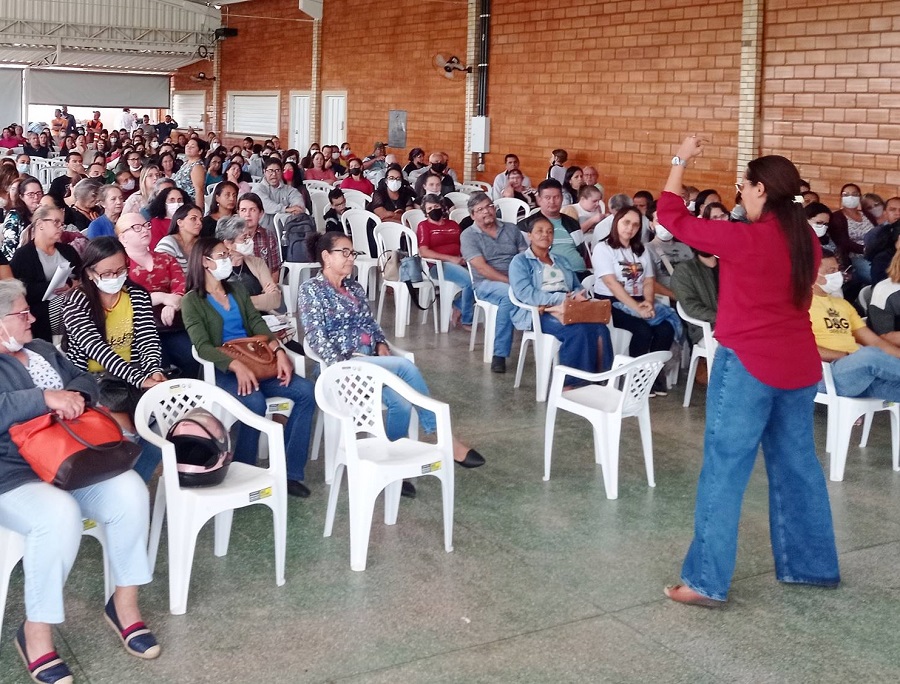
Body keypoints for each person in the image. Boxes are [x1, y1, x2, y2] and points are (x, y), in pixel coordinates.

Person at [658, 135, 839, 607]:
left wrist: (681, 158)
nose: (740, 195)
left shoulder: (743, 239)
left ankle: (705, 582)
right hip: (800, 368)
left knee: (725, 469)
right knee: (798, 468)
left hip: (748, 368)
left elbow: (671, 216)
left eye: (743, 188)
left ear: (761, 190)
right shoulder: (808, 246)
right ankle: (811, 567)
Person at [0, 279, 160, 684]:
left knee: (129, 491)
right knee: (58, 515)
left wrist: (74, 395)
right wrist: (44, 399)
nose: (32, 317)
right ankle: (35, 632)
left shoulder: (39, 350)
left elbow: (85, 378)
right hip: (14, 476)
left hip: (69, 461)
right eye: (21, 313)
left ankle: (124, 603)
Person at [299, 231, 485, 471]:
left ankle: (393, 463)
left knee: (402, 404)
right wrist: (342, 365)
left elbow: (370, 323)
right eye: (344, 253)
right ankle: (443, 436)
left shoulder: (354, 287)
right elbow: (315, 336)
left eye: (352, 253)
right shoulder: (312, 289)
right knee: (404, 367)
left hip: (370, 361)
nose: (350, 258)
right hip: (342, 366)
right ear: (326, 256)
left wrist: (380, 343)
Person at [182, 238, 315, 498]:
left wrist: (278, 351)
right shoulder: (192, 301)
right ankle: (245, 470)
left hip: (258, 361)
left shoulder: (237, 289)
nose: (227, 259)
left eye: (227, 254)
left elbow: (257, 324)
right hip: (223, 370)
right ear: (204, 262)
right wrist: (235, 366)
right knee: (254, 403)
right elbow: (202, 346)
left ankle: (289, 472)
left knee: (306, 392)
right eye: (221, 255)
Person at [61, 237, 166, 481]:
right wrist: (140, 379)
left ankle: (137, 482)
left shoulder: (136, 295)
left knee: (166, 425)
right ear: (89, 272)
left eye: (120, 271)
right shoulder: (75, 302)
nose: (115, 277)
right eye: (107, 273)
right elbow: (98, 350)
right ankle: (121, 486)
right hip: (91, 380)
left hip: (133, 374)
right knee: (126, 433)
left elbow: (148, 339)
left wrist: (153, 371)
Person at [591, 206, 677, 395]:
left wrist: (647, 302)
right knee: (642, 330)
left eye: (635, 225)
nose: (630, 228)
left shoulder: (640, 250)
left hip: (639, 300)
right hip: (610, 302)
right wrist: (637, 308)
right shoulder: (603, 248)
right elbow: (612, 284)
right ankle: (635, 379)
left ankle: (651, 376)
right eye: (626, 222)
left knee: (666, 328)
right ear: (616, 222)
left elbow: (648, 280)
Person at [509, 217, 612, 375]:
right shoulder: (520, 261)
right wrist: (561, 299)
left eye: (550, 232)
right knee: (577, 331)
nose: (545, 235)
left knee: (600, 329)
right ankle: (571, 382)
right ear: (529, 235)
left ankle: (601, 377)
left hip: (569, 305)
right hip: (540, 311)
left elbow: (575, 286)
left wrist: (579, 295)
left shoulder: (561, 261)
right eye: (540, 231)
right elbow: (525, 293)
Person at [116, 213, 198, 378]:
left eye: (146, 225)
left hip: (172, 323)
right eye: (136, 228)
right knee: (157, 364)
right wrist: (161, 297)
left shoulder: (166, 258)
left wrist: (172, 303)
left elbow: (180, 286)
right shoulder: (118, 265)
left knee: (191, 357)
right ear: (123, 237)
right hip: (137, 328)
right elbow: (125, 298)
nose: (144, 230)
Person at [812, 250, 900, 400]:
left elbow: (876, 342)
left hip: (858, 374)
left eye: (837, 270)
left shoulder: (842, 305)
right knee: (869, 355)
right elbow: (798, 348)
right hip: (825, 374)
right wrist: (846, 356)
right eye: (830, 271)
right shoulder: (797, 305)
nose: (836, 275)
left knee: (874, 357)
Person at [460, 192, 527, 373]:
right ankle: (500, 353)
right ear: (473, 215)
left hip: (516, 278)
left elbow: (525, 257)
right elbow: (481, 268)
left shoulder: (512, 229)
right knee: (509, 295)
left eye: (489, 206)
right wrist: (512, 283)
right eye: (480, 209)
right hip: (485, 283)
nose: (486, 211)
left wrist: (522, 279)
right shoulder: (468, 235)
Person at [10, 204, 81, 342]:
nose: (61, 227)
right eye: (56, 222)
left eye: (62, 223)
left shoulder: (68, 251)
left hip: (72, 302)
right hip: (42, 312)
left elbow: (83, 276)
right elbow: (21, 290)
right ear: (40, 224)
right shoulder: (24, 255)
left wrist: (72, 284)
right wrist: (52, 287)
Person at [416, 193, 474, 328]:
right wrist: (451, 259)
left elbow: (463, 243)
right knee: (469, 281)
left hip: (461, 261)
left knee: (484, 277)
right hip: (438, 266)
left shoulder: (453, 224)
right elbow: (424, 251)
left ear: (442, 208)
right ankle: (467, 319)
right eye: (429, 209)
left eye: (436, 206)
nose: (433, 210)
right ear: (425, 212)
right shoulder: (424, 226)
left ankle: (458, 305)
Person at [520, 179, 591, 281]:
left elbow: (582, 251)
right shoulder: (525, 225)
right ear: (539, 200)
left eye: (556, 197)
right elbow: (523, 256)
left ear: (562, 198)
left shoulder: (572, 223)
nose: (552, 202)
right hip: (551, 277)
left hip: (580, 274)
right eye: (547, 198)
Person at [216, 216, 282, 312]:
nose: (250, 241)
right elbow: (218, 305)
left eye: (249, 236)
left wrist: (235, 302)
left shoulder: (258, 263)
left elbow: (275, 300)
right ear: (228, 244)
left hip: (261, 318)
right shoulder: (218, 268)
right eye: (244, 238)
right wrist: (262, 297)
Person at [250, 157, 305, 230]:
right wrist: (286, 209)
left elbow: (298, 203)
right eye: (270, 171)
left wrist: (296, 209)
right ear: (264, 172)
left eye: (277, 170)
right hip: (264, 230)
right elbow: (265, 205)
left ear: (282, 172)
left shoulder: (289, 190)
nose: (274, 174)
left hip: (287, 230)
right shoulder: (258, 188)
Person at [237, 193, 282, 280]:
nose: (247, 214)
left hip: (264, 285)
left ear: (261, 213)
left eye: (252, 210)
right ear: (238, 213)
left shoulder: (269, 235)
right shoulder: (231, 237)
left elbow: (274, 271)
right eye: (243, 210)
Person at [2, 175, 43, 261]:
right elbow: (10, 249)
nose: (36, 198)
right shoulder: (14, 216)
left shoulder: (44, 214)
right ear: (21, 197)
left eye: (39, 193)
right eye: (30, 194)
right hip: (16, 262)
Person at [156, 204, 203, 273]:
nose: (199, 223)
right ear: (180, 222)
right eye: (193, 219)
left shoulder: (201, 245)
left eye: (201, 219)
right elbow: (160, 272)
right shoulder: (168, 243)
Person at [172, 138, 206, 204]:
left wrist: (198, 210)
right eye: (187, 145)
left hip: (189, 204)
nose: (188, 147)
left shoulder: (197, 167)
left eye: (192, 146)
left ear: (200, 151)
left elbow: (199, 190)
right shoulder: (186, 163)